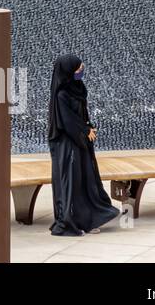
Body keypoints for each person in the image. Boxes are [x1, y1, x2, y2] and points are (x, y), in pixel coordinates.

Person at [48, 54, 119, 236]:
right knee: (71, 182)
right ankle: (69, 222)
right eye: (78, 68)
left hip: (79, 142)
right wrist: (84, 131)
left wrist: (88, 127)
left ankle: (88, 219)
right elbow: (67, 121)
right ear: (69, 71)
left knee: (84, 180)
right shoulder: (61, 95)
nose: (81, 70)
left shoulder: (77, 88)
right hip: (67, 146)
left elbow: (80, 115)